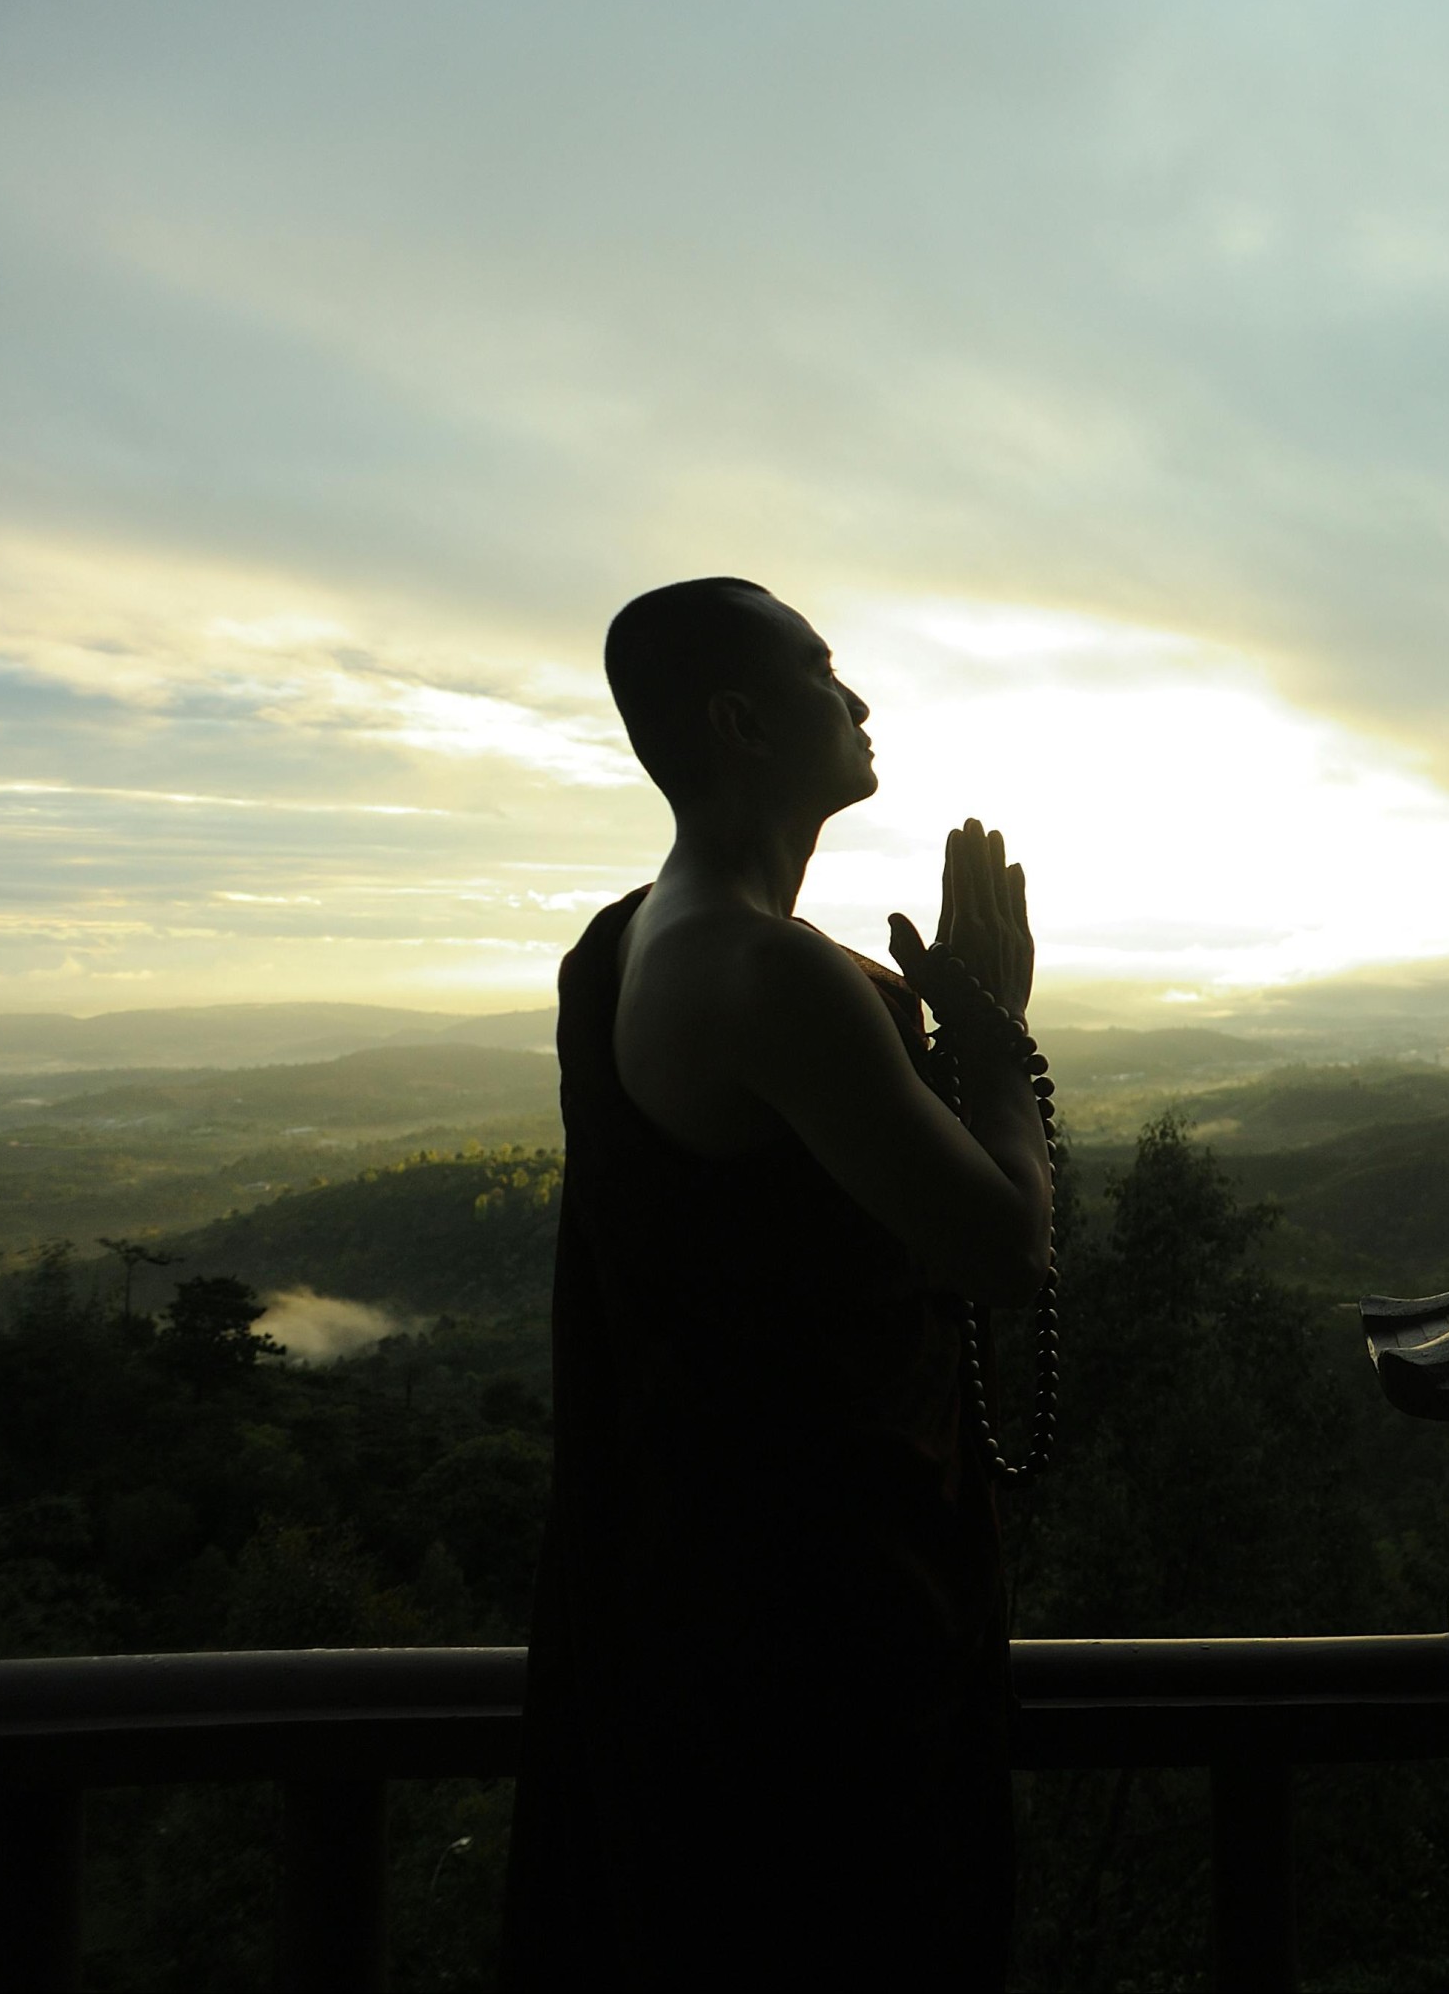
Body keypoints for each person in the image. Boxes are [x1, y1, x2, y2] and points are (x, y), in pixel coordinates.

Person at [501, 577, 1053, 1990]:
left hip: (685, 1600)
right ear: (743, 720)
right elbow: (998, 1246)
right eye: (824, 672)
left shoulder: (626, 944)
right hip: (814, 1640)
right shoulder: (766, 973)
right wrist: (994, 1038)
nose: (858, 700)